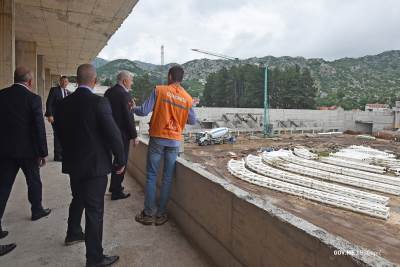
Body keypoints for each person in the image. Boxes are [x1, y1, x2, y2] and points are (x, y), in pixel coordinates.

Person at [54, 64, 125, 267]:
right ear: (95, 80)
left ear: (76, 80)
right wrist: (120, 160)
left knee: (78, 198)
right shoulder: (99, 102)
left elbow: (59, 131)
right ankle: (94, 258)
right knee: (94, 211)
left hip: (73, 162)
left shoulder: (63, 103)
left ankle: (73, 232)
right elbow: (113, 134)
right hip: (95, 165)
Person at [133, 65, 197, 226]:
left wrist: (132, 107)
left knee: (152, 175)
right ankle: (161, 214)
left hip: (158, 137)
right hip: (175, 140)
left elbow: (144, 111)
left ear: (169, 77)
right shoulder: (188, 98)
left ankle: (148, 214)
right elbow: (192, 120)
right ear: (181, 79)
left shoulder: (159, 90)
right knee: (168, 178)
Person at [0, 66, 51, 238]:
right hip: (28, 151)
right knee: (34, 181)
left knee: (3, 187)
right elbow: (39, 127)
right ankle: (37, 210)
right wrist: (43, 152)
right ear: (29, 82)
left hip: (5, 151)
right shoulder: (33, 98)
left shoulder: (1, 95)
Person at [104, 71, 139, 200]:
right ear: (124, 81)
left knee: (114, 161)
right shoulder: (125, 95)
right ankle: (117, 191)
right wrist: (134, 135)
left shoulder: (108, 92)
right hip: (122, 135)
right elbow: (128, 117)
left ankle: (114, 186)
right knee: (121, 161)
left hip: (109, 132)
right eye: (131, 80)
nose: (132, 83)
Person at [45, 76, 70, 161]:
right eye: (62, 81)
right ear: (60, 82)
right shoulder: (54, 90)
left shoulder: (68, 92)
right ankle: (57, 155)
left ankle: (62, 154)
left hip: (65, 118)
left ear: (68, 83)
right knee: (57, 135)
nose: (64, 83)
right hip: (55, 117)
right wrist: (49, 115)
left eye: (66, 81)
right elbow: (49, 103)